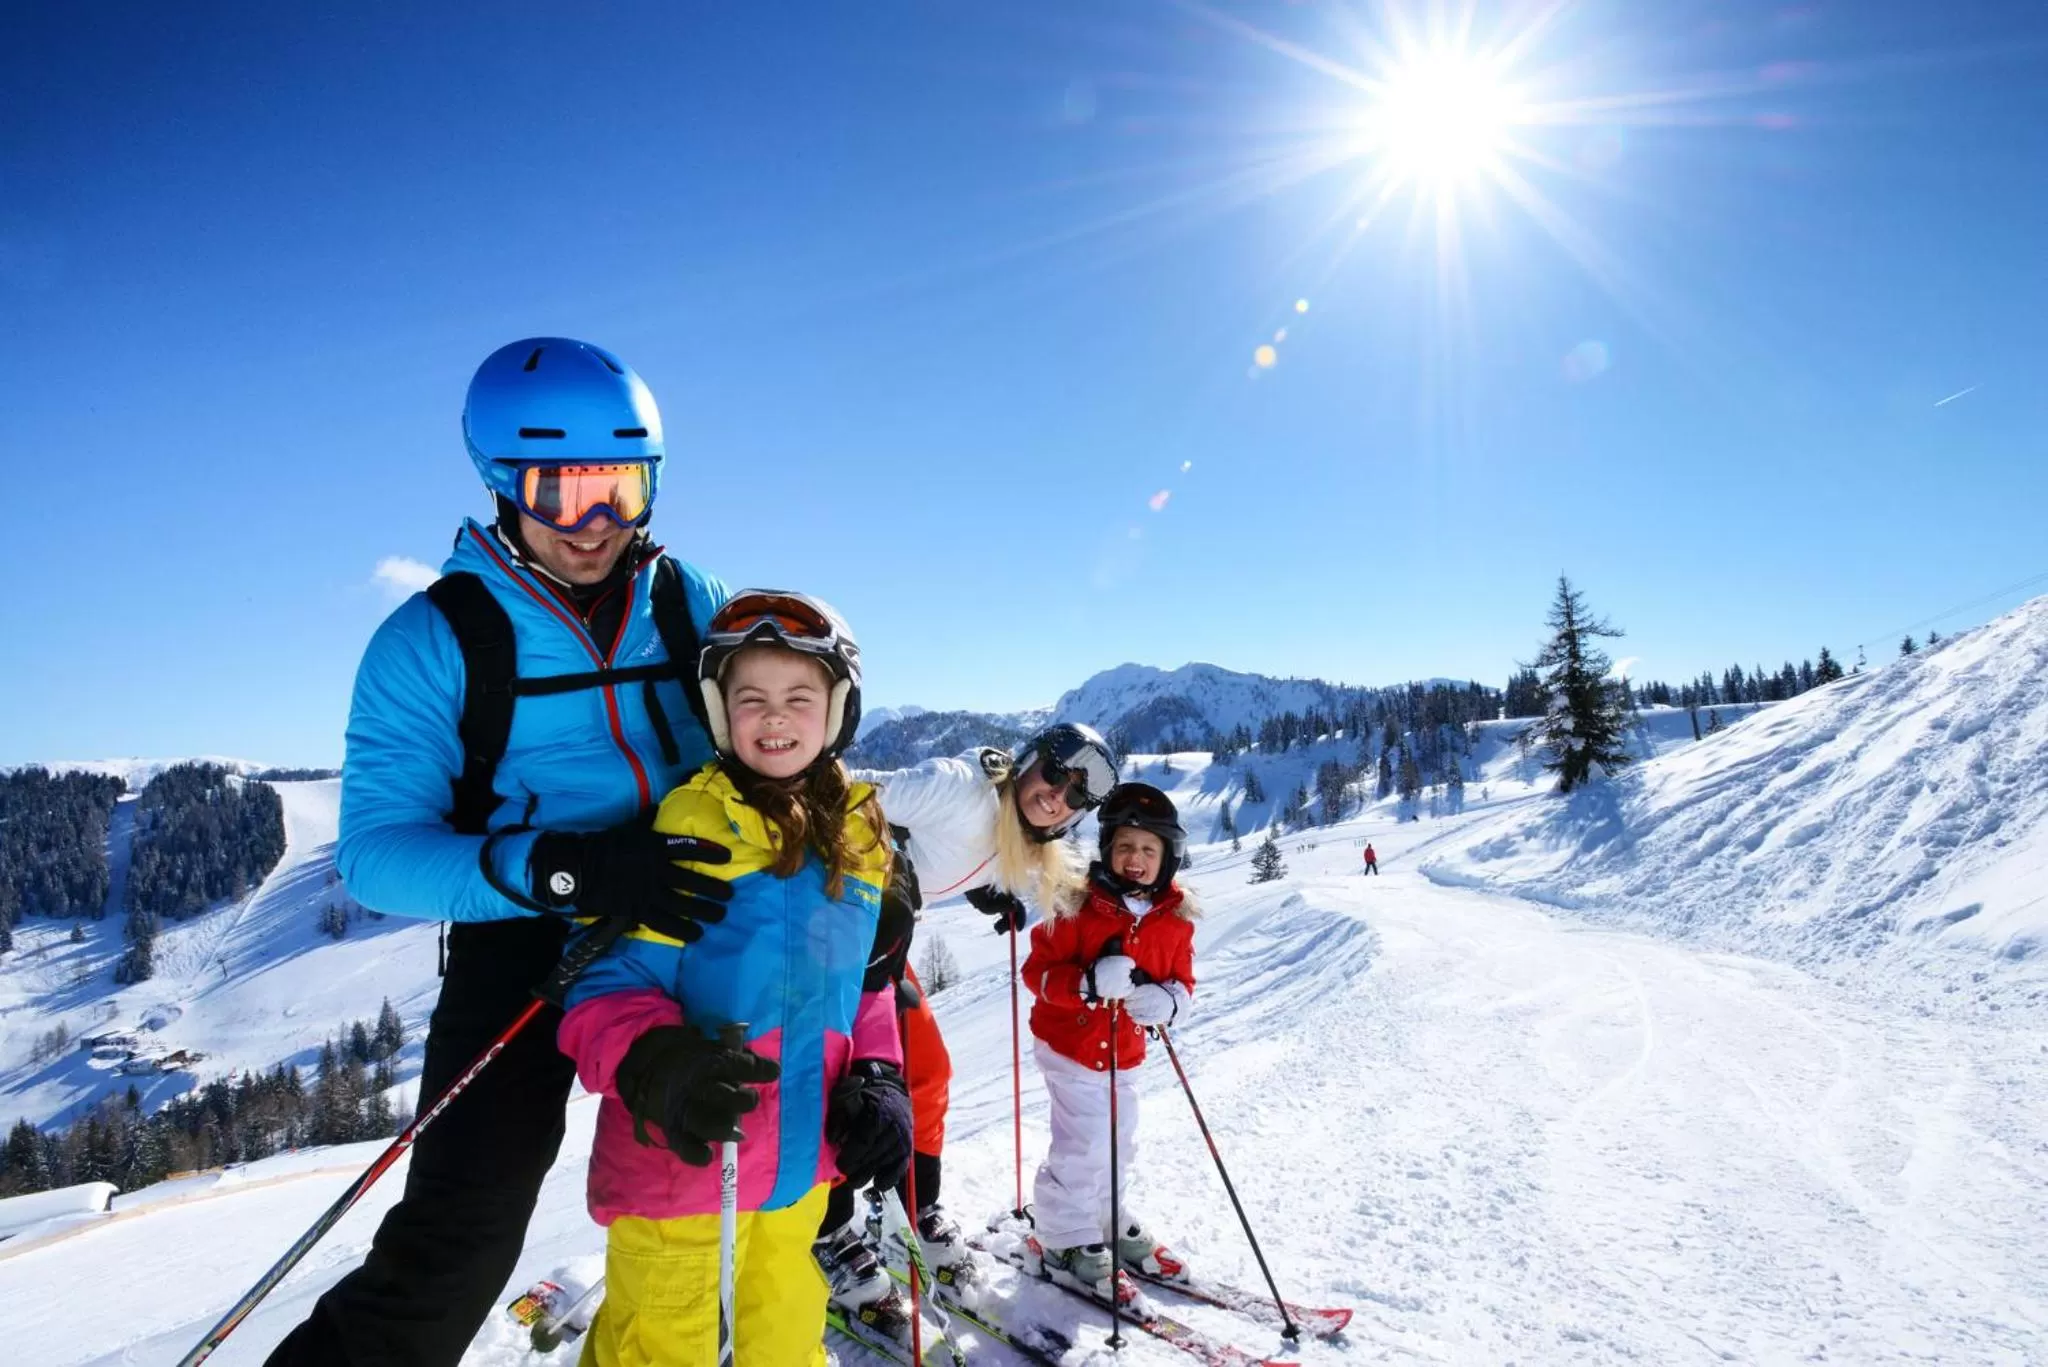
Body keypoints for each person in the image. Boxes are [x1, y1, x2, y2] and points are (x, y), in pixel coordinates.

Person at [265, 338, 732, 1367]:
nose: (594, 523)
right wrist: (555, 868)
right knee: (463, 1232)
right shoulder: (434, 639)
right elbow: (377, 855)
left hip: (684, 898)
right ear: (499, 484)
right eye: (558, 493)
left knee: (798, 1091)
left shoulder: (683, 597)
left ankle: (810, 1266)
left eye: (618, 487)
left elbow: (770, 729)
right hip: (523, 934)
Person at [557, 589, 912, 1365]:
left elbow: (869, 988)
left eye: (798, 696)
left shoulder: (860, 839)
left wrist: (881, 1072)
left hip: (802, 1181)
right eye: (751, 698)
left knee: (786, 1349)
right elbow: (602, 985)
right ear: (720, 713)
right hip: (685, 1171)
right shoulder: (690, 827)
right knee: (658, 1352)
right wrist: (657, 1064)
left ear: (837, 709)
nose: (775, 716)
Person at [811, 722, 1116, 1326]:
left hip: (881, 949)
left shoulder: (1023, 837)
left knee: (926, 1074)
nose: (1058, 796)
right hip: (822, 939)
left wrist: (982, 894)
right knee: (835, 1091)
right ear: (1030, 761)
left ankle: (915, 1206)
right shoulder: (959, 791)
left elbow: (960, 858)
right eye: (1056, 773)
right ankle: (827, 1231)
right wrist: (881, 861)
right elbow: (838, 792)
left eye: (1077, 795)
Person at [1020, 782, 1197, 1300]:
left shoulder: (1175, 920)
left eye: (1148, 850)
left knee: (1120, 1139)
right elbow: (1038, 973)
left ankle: (1106, 1220)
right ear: (1106, 852)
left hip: (1126, 1054)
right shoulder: (1077, 907)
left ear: (1167, 858)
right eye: (1124, 847)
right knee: (1084, 1144)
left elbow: (1183, 981)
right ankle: (1062, 1239)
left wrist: (1169, 1003)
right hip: (1070, 1048)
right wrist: (1087, 983)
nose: (1135, 859)